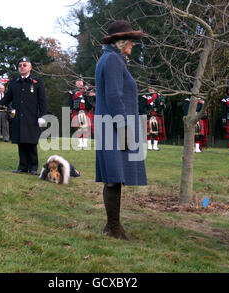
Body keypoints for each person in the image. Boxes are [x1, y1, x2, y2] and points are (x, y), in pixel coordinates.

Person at [95, 20, 147, 240]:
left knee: (113, 176)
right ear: (122, 41)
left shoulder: (110, 58)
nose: (133, 45)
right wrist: (124, 126)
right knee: (114, 176)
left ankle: (112, 225)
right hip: (115, 126)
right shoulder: (113, 60)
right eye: (131, 41)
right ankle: (113, 227)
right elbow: (114, 96)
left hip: (111, 124)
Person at [0, 56, 48, 175]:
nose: (22, 67)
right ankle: (22, 167)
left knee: (31, 143)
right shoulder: (14, 83)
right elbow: (7, 98)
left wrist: (42, 116)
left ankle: (33, 167)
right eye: (20, 65)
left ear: (30, 67)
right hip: (18, 118)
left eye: (24, 65)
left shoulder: (37, 82)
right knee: (21, 143)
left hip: (31, 118)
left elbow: (43, 101)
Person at [140, 76, 166, 151]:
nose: (151, 89)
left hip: (157, 115)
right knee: (147, 132)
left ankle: (155, 146)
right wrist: (145, 113)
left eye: (152, 88)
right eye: (149, 87)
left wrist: (162, 104)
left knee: (156, 132)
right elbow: (142, 107)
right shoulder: (144, 96)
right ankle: (149, 146)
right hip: (148, 115)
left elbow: (163, 105)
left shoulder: (159, 96)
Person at [68, 79, 95, 149]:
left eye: (81, 83)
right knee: (80, 127)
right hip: (77, 111)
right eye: (79, 83)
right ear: (76, 84)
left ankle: (85, 143)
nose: (80, 84)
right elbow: (70, 103)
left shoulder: (87, 91)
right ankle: (80, 143)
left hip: (86, 111)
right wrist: (71, 112)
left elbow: (91, 100)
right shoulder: (73, 92)